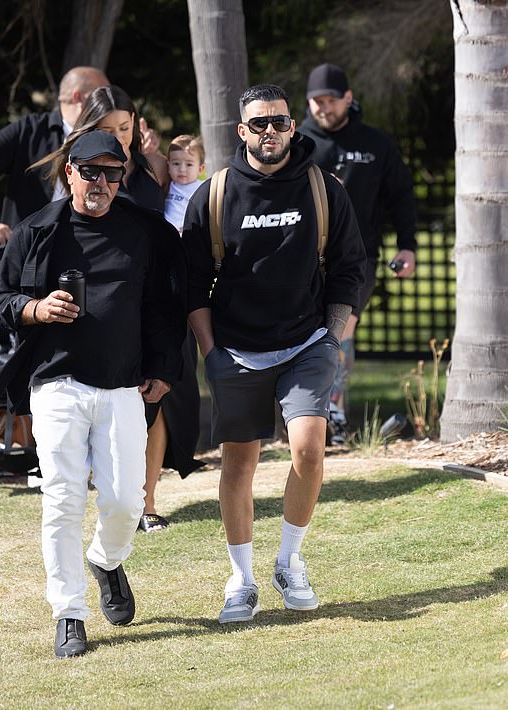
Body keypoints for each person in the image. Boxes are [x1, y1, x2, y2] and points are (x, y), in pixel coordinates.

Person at [0, 131, 186, 657]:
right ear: (68, 172)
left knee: (126, 502)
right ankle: (69, 613)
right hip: (56, 384)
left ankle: (107, 560)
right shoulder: (37, 231)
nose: (101, 182)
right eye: (89, 171)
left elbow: (165, 308)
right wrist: (35, 309)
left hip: (123, 385)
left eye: (112, 172)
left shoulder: (146, 231)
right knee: (64, 499)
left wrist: (164, 368)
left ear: (122, 176)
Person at [182, 84, 365, 623]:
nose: (269, 132)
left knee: (310, 449)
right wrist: (211, 352)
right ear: (242, 132)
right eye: (258, 124)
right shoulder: (212, 196)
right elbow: (194, 286)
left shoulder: (322, 188)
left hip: (307, 343)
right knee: (240, 462)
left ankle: (290, 561)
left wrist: (333, 338)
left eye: (279, 123)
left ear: (292, 126)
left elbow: (350, 269)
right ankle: (241, 579)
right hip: (236, 349)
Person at [33, 86, 204, 533]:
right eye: (108, 130)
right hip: (100, 302)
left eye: (126, 128)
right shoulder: (77, 175)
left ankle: (146, 501)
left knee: (159, 399)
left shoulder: (152, 168)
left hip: (155, 296)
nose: (120, 137)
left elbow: (182, 208)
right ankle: (109, 492)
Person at [298, 63, 417, 444]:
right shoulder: (297, 142)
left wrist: (408, 246)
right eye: (316, 102)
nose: (323, 108)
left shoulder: (374, 143)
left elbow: (401, 197)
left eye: (331, 101)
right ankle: (306, 418)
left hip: (356, 257)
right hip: (300, 259)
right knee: (309, 334)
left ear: (348, 98)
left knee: (340, 329)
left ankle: (334, 414)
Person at [0, 66, 110, 246]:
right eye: (101, 95)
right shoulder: (30, 129)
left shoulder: (106, 137)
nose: (107, 103)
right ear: (78, 97)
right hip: (26, 253)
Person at [164, 134, 205, 234]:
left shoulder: (201, 188)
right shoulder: (169, 184)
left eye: (189, 164)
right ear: (168, 166)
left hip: (186, 234)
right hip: (166, 234)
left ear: (200, 169)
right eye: (176, 163)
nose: (182, 169)